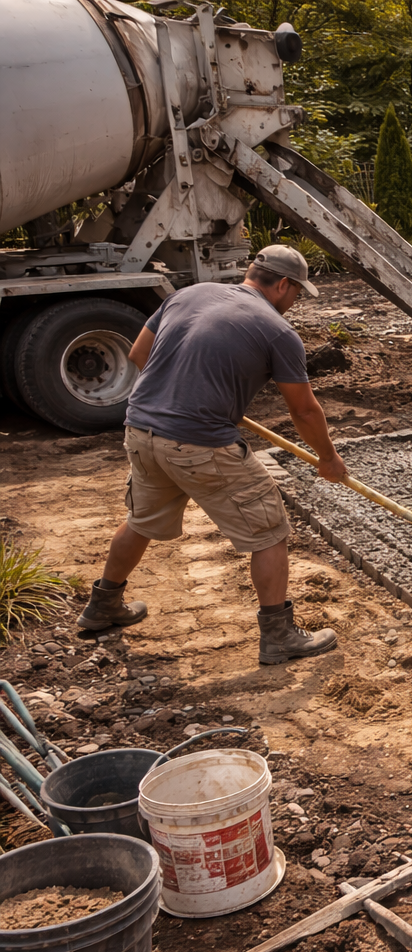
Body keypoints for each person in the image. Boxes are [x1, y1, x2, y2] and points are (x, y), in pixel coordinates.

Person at [77, 245, 348, 667]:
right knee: (270, 529)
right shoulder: (277, 332)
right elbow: (304, 409)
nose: (294, 303)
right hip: (199, 442)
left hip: (141, 431)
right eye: (297, 293)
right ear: (282, 285)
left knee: (140, 520)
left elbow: (138, 356)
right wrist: (328, 458)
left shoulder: (187, 294)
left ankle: (102, 606)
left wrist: (193, 388)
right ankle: (278, 636)